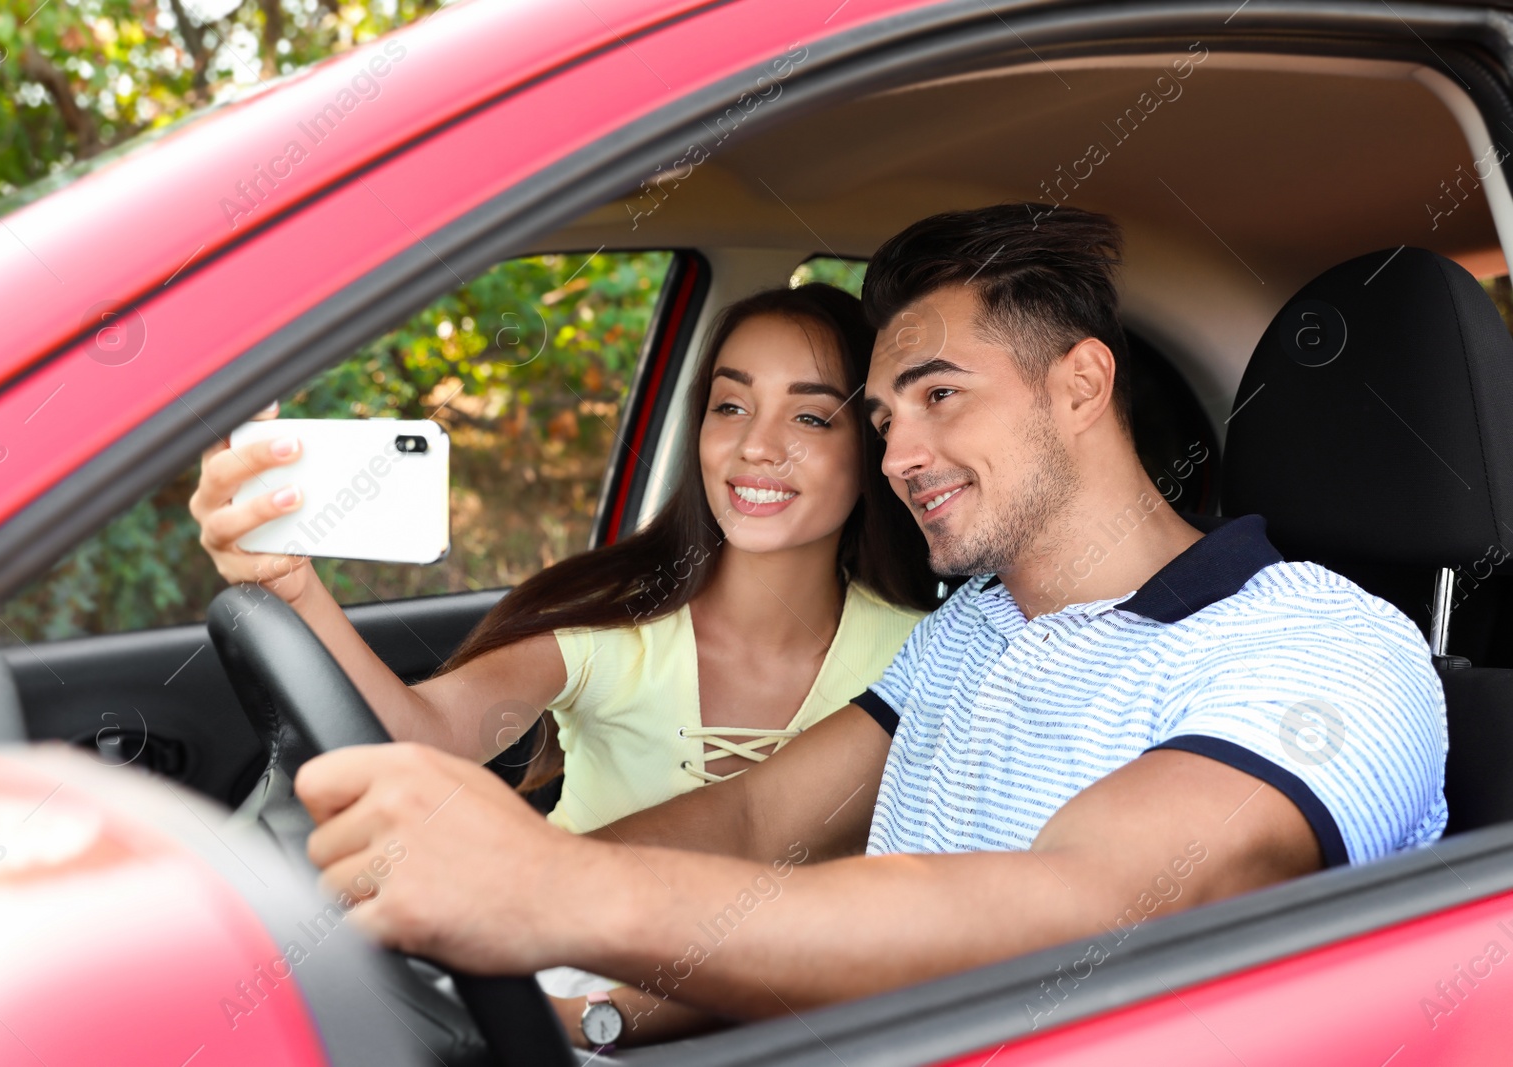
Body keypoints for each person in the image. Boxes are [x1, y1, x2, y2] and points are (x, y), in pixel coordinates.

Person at [290, 204, 1447, 1043]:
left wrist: (546, 889)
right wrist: (560, 973)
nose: (899, 456)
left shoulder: (1322, 651)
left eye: (942, 395)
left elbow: (1083, 912)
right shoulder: (972, 630)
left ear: (1082, 386)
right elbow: (756, 820)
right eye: (885, 415)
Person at [189, 283, 940, 1044]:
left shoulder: (927, 652)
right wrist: (295, 586)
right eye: (730, 406)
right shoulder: (618, 612)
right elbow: (423, 734)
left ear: (873, 445)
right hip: (546, 962)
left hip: (784, 1018)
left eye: (810, 416)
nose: (756, 446)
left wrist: (587, 1021)